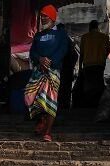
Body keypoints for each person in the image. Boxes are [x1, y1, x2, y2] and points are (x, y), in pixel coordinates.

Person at [26, 5, 68, 142]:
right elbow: (32, 52)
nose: (43, 19)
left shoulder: (61, 34)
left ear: (53, 18)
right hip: (38, 71)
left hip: (53, 71)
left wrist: (50, 62)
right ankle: (42, 119)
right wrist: (40, 59)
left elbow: (63, 50)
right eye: (42, 16)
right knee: (30, 97)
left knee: (50, 100)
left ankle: (48, 132)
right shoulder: (38, 36)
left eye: (46, 16)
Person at [78, 20, 110, 107]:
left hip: (88, 65)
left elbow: (82, 53)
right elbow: (108, 51)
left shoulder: (84, 37)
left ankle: (88, 104)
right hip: (100, 65)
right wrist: (102, 58)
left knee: (89, 85)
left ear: (90, 27)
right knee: (99, 84)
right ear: (97, 27)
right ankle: (98, 104)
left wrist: (80, 67)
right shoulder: (104, 37)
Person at [56, 23, 78, 110]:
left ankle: (63, 107)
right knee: (65, 89)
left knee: (62, 89)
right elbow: (75, 55)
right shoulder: (67, 40)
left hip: (63, 69)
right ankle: (65, 107)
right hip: (66, 69)